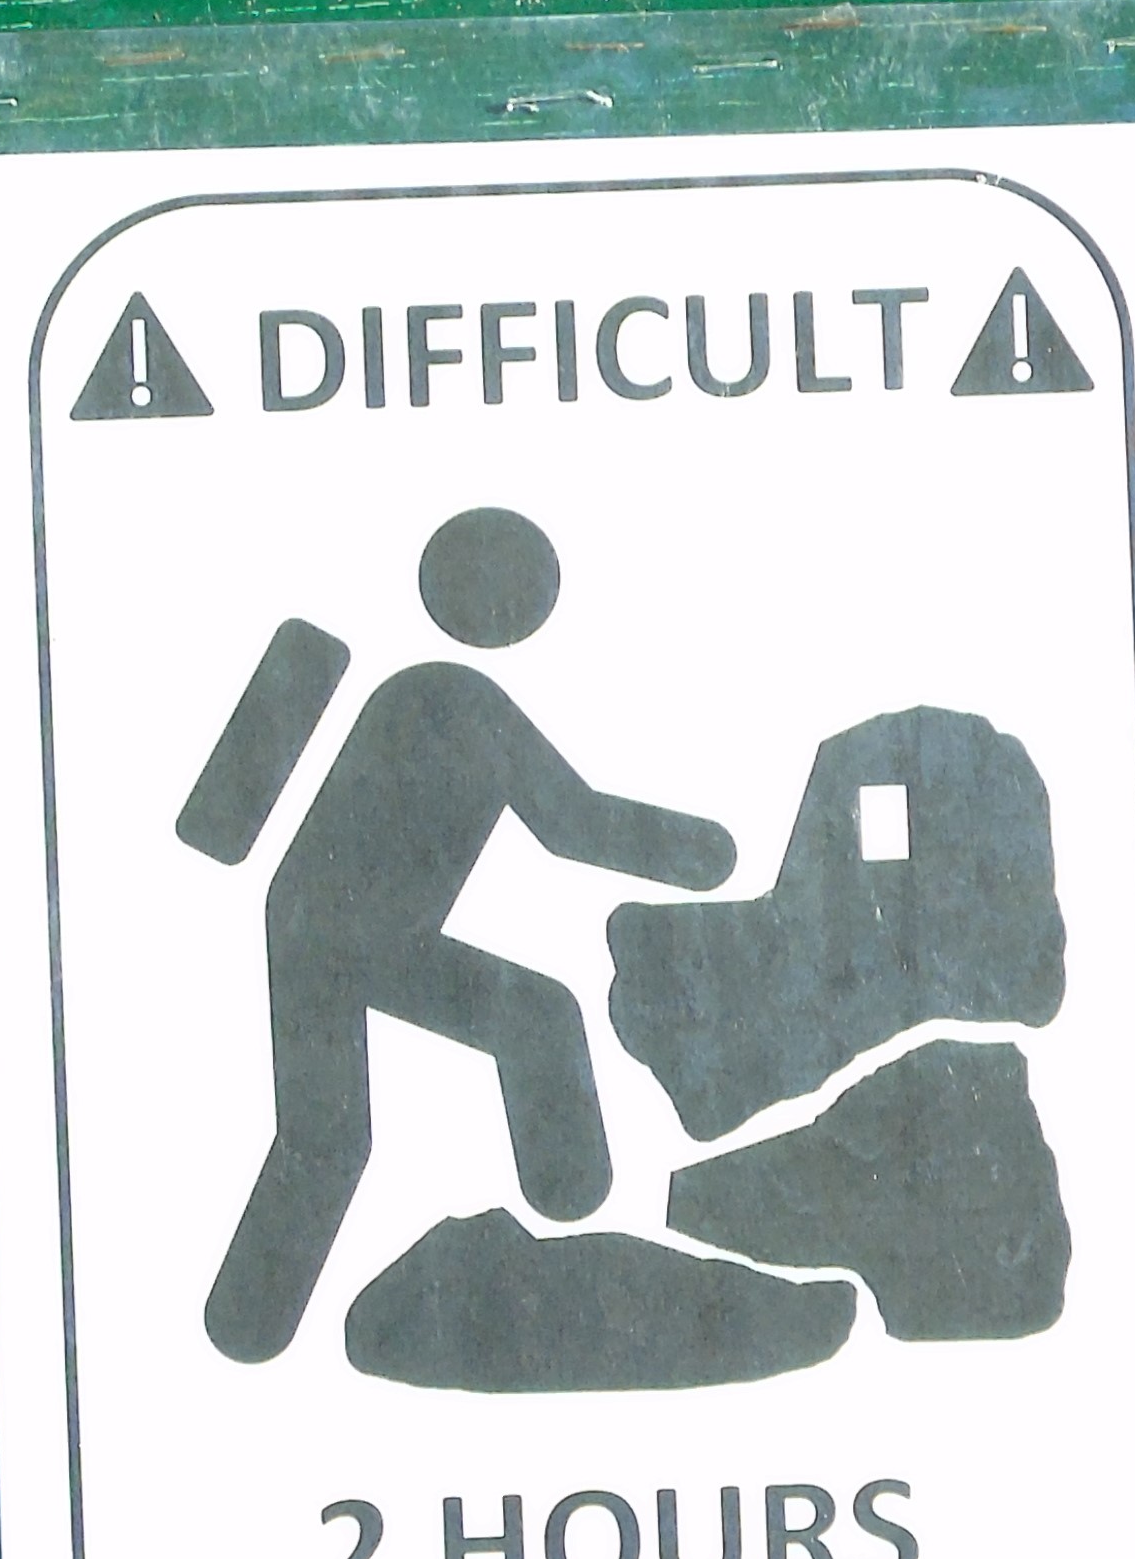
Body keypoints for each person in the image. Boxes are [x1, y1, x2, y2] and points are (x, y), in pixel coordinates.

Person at [199, 509, 734, 1363]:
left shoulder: (447, 699)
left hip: (336, 924)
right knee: (509, 1032)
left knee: (339, 1128)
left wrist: (697, 855)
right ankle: (249, 1324)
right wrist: (701, 854)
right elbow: (576, 823)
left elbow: (571, 823)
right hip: (332, 927)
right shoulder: (448, 700)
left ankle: (251, 1319)